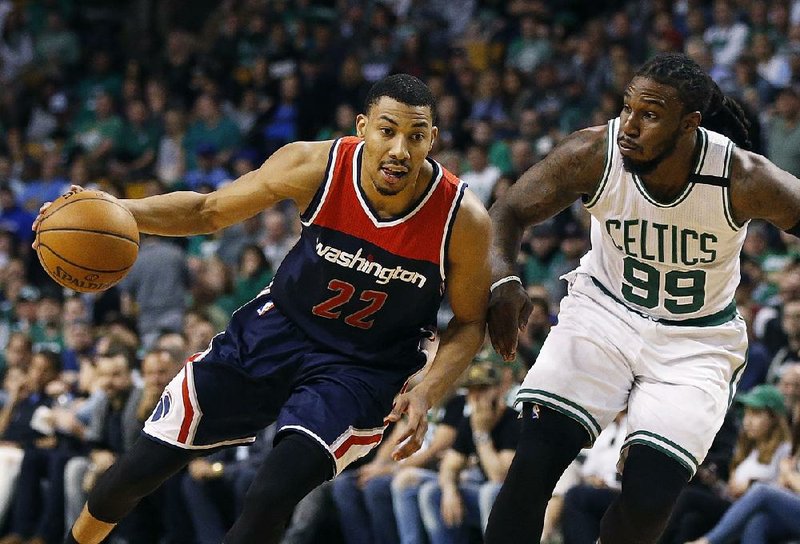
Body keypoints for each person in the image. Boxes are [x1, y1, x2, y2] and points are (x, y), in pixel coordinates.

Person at [37, 73, 491, 544]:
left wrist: (426, 391)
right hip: (277, 330)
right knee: (133, 473)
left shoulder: (462, 218)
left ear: (432, 139)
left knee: (269, 497)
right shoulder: (314, 164)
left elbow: (470, 321)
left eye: (416, 136)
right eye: (387, 130)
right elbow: (208, 211)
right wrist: (115, 209)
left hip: (362, 367)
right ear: (362, 127)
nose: (400, 149)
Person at [483, 51, 800, 544]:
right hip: (604, 313)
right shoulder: (596, 152)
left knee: (648, 504)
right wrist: (503, 280)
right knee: (535, 462)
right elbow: (507, 211)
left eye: (649, 115)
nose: (629, 125)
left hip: (695, 342)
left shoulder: (742, 178)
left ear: (689, 124)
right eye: (627, 107)